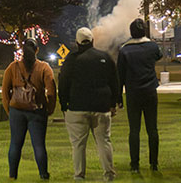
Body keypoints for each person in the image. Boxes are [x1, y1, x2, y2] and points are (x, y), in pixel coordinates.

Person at [60, 27, 121, 181]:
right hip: (101, 106)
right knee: (104, 141)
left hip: (77, 107)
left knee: (78, 145)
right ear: (93, 41)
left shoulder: (71, 60)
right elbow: (114, 82)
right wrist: (114, 102)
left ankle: (79, 176)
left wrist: (63, 104)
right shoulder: (105, 57)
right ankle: (109, 174)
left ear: (77, 42)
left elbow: (63, 83)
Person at [2, 38, 57, 180]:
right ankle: (43, 174)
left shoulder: (12, 67)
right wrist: (50, 108)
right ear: (36, 50)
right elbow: (51, 90)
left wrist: (9, 109)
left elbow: (5, 91)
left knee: (15, 143)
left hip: (16, 111)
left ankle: (12, 175)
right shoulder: (44, 68)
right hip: (37, 111)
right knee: (39, 145)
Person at [117, 17, 162, 173]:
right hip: (150, 91)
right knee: (152, 129)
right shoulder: (152, 46)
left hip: (133, 93)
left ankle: (135, 164)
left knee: (134, 130)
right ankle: (154, 163)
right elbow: (159, 55)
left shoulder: (124, 50)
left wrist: (118, 98)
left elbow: (120, 76)